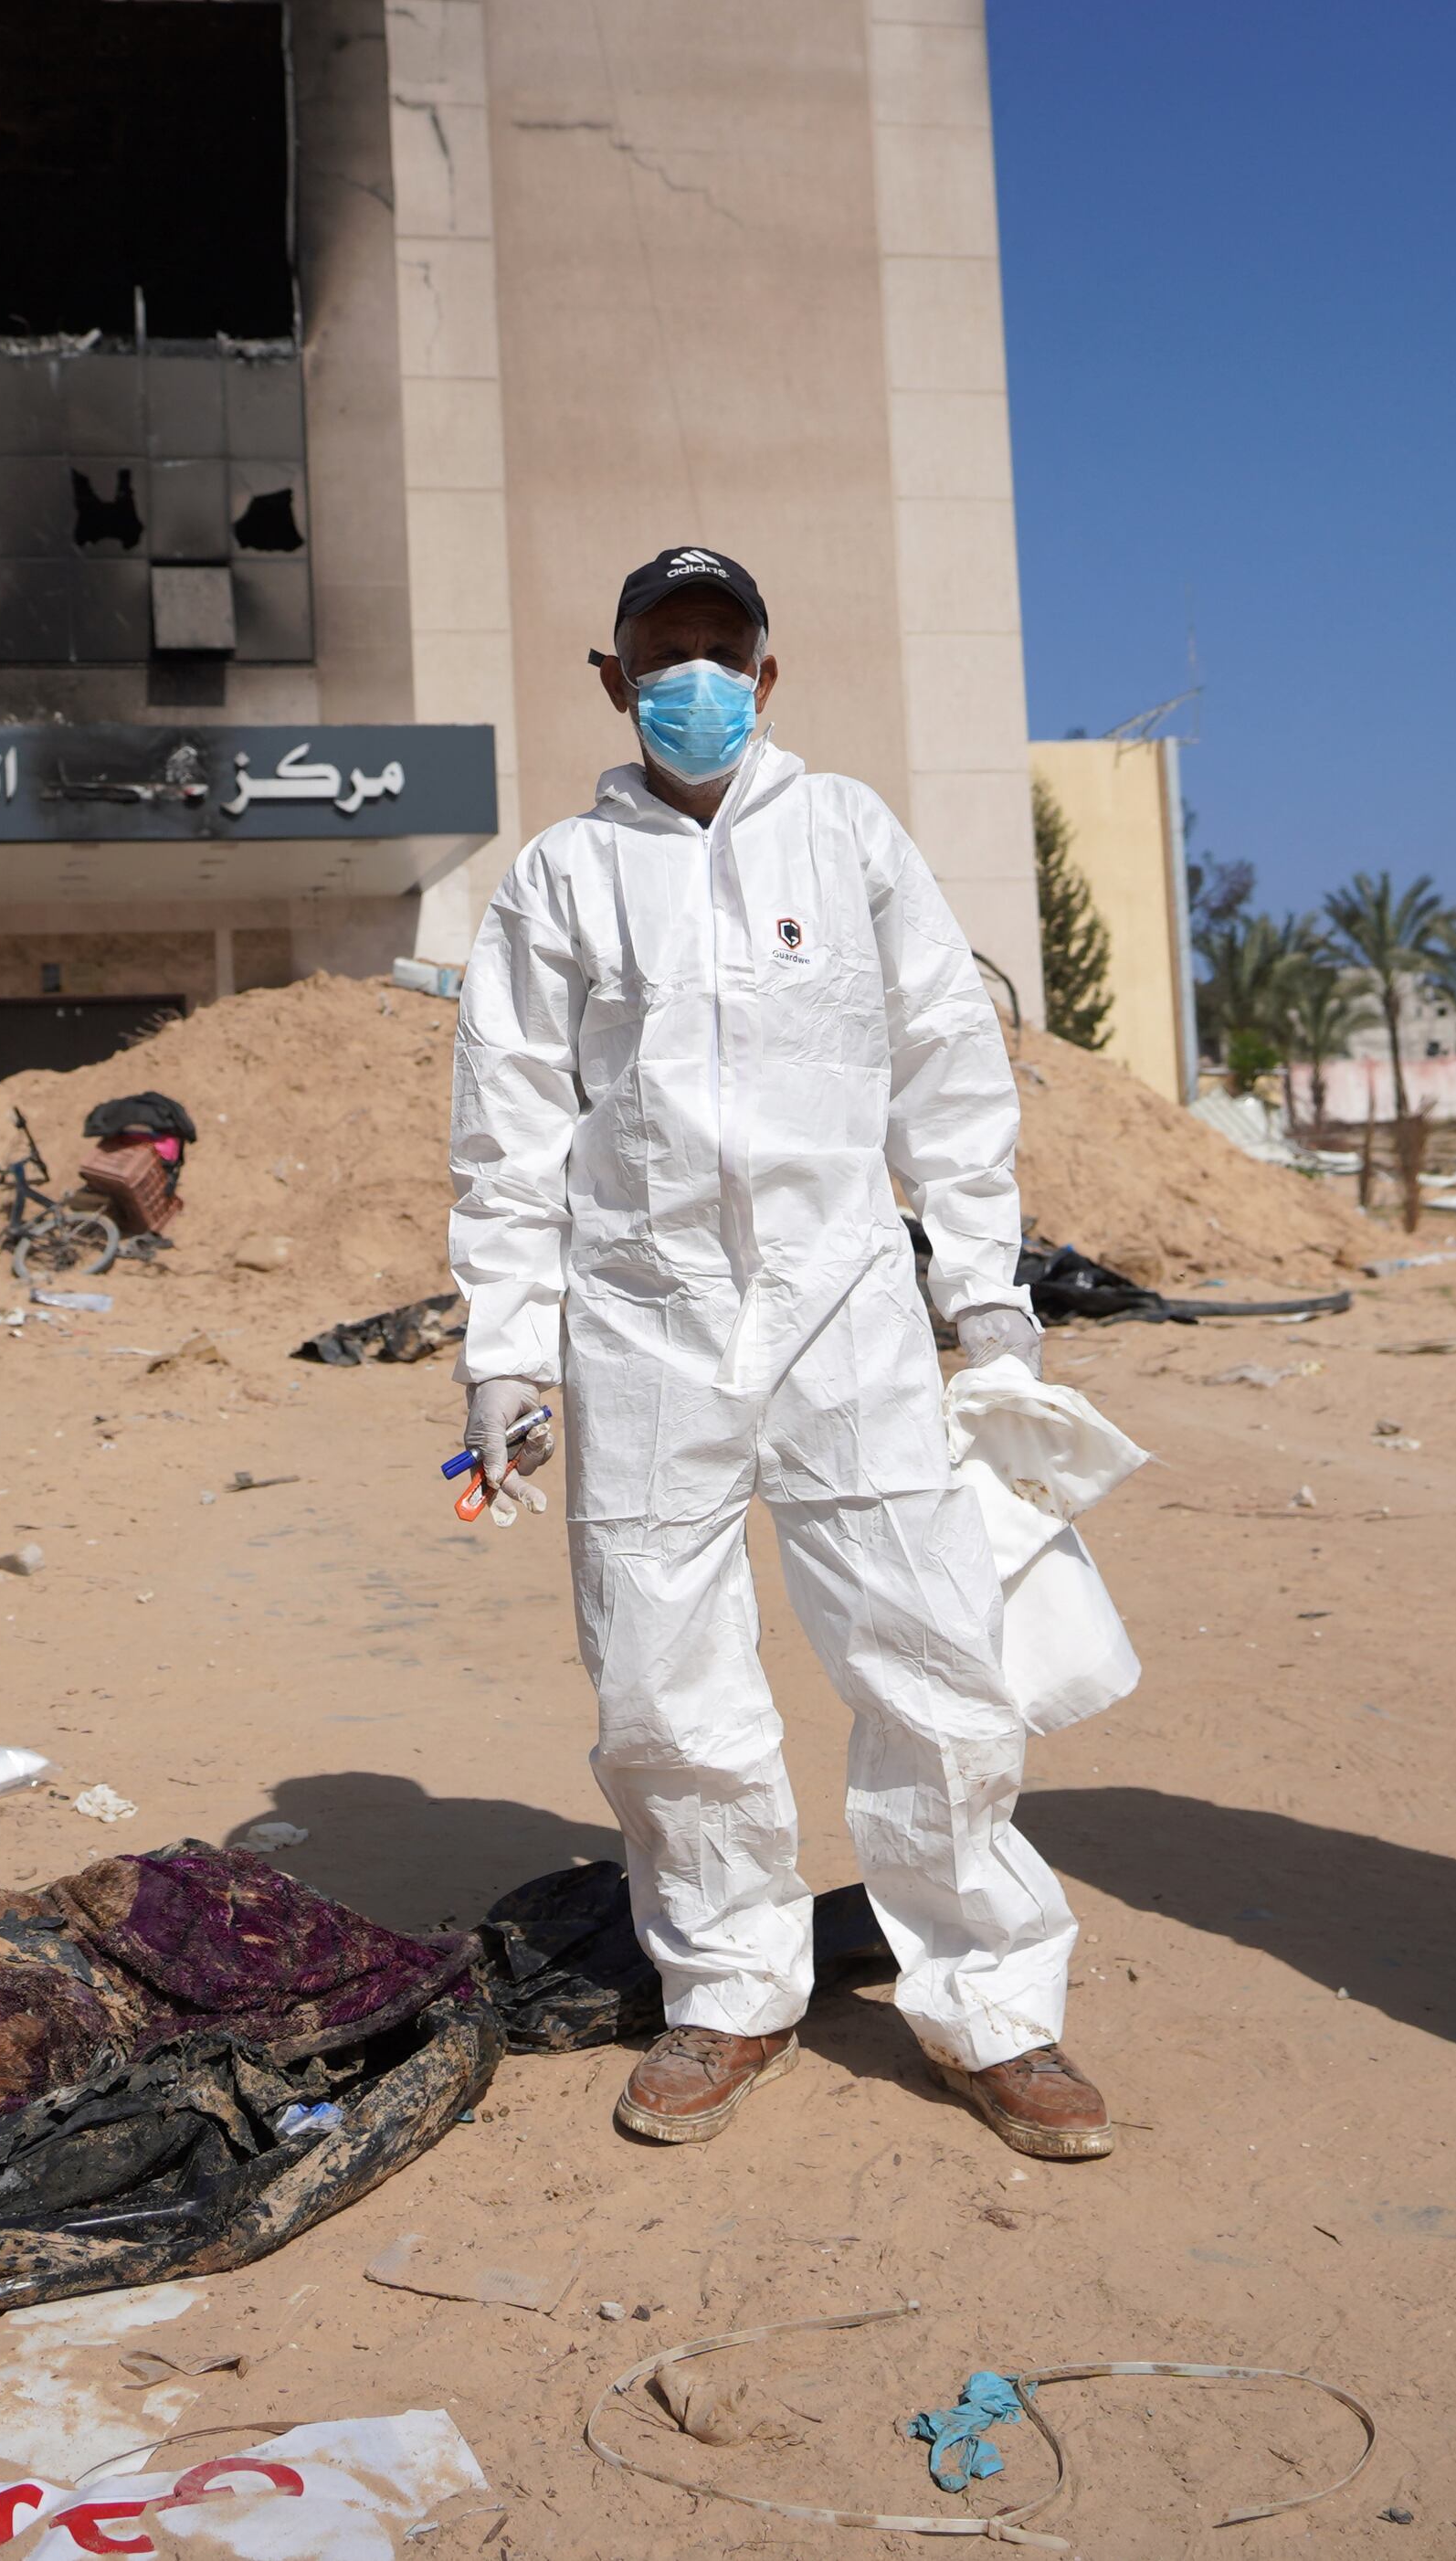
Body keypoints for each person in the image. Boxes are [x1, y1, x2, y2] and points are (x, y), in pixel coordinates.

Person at [449, 545, 1103, 2161]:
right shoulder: (559, 877)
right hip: (645, 1314)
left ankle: (997, 2006)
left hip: (845, 1314)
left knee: (935, 1664)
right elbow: (510, 1129)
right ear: (609, 679)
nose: (693, 676)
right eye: (660, 651)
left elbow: (947, 1070)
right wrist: (503, 1352)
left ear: (766, 670)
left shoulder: (849, 832)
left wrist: (988, 1305)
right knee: (665, 1688)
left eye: (720, 647)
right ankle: (733, 1986)